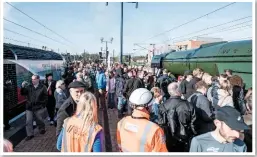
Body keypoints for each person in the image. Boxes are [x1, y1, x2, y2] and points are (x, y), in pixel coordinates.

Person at [158, 82, 197, 152]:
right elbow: (193, 124)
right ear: (178, 90)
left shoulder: (163, 105)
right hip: (184, 139)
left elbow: (161, 123)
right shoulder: (188, 105)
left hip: (169, 139)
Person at [21, 75, 48, 141]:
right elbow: (23, 93)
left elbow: (46, 97)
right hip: (29, 107)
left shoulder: (43, 87)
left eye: (34, 79)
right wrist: (22, 87)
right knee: (28, 121)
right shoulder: (29, 86)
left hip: (38, 107)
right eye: (32, 79)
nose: (33, 80)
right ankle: (30, 134)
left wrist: (42, 104)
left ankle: (41, 128)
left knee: (39, 119)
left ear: (38, 79)